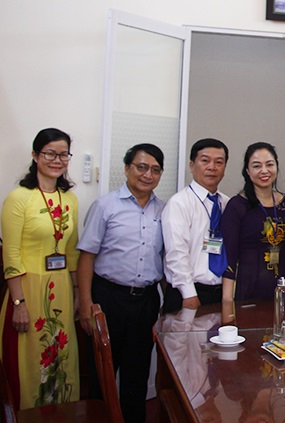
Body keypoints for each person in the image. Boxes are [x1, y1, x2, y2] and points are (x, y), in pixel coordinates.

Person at [77, 144, 165, 422]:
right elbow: (87, 257)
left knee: (137, 376)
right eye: (141, 167)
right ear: (127, 168)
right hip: (108, 299)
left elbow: (165, 260)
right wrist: (86, 304)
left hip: (146, 301)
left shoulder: (164, 210)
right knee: (101, 376)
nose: (147, 175)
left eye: (155, 169)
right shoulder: (105, 206)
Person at [0, 128, 80, 409]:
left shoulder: (69, 198)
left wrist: (78, 292)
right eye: (49, 153)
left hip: (61, 289)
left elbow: (71, 252)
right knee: (32, 361)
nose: (56, 160)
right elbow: (10, 254)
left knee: (61, 358)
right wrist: (18, 302)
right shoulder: (18, 198)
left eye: (63, 154)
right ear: (35, 156)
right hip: (28, 289)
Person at [221, 142, 285, 301]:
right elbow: (229, 256)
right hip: (247, 291)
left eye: (269, 164)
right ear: (247, 171)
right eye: (257, 166)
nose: (264, 171)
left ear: (276, 167)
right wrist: (227, 300)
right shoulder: (237, 206)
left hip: (282, 290)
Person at [162, 138, 230, 313]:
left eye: (219, 162)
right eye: (205, 161)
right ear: (192, 165)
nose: (212, 167)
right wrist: (188, 294)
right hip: (189, 294)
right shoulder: (179, 203)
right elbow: (176, 253)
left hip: (222, 294)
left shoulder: (227, 203)